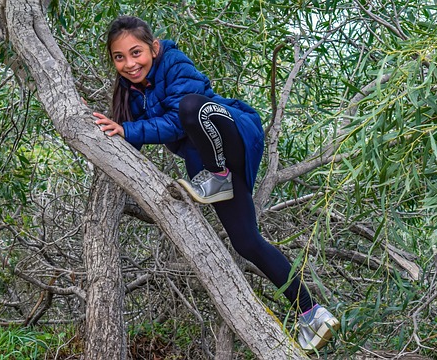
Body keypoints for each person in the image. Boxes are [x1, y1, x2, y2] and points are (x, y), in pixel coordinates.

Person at [93, 15, 340, 352]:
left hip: (230, 132)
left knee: (192, 107)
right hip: (207, 167)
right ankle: (312, 313)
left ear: (153, 47)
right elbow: (129, 141)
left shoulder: (174, 63)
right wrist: (107, 133)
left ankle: (219, 175)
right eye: (119, 57)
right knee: (247, 243)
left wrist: (128, 130)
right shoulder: (131, 92)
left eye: (135, 53)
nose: (129, 63)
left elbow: (175, 123)